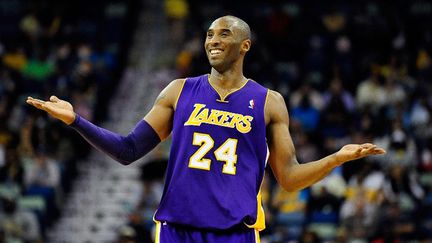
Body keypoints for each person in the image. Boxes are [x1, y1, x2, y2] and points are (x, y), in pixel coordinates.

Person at [26, 15, 385, 243]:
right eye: (209, 34)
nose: (213, 40)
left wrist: (336, 158)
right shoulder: (179, 91)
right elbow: (127, 150)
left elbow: (288, 178)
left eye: (223, 34)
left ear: (244, 46)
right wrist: (76, 120)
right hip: (177, 229)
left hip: (234, 232)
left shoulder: (268, 101)